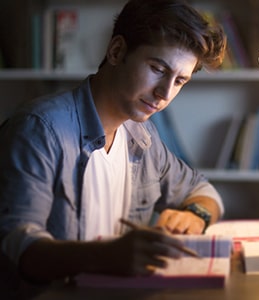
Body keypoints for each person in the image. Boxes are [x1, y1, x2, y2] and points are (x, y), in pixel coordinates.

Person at [0, 0, 227, 290]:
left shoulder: (142, 136)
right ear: (117, 51)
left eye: (179, 80)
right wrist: (104, 256)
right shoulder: (39, 129)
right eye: (158, 68)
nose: (164, 93)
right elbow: (17, 246)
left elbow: (203, 192)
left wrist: (195, 215)